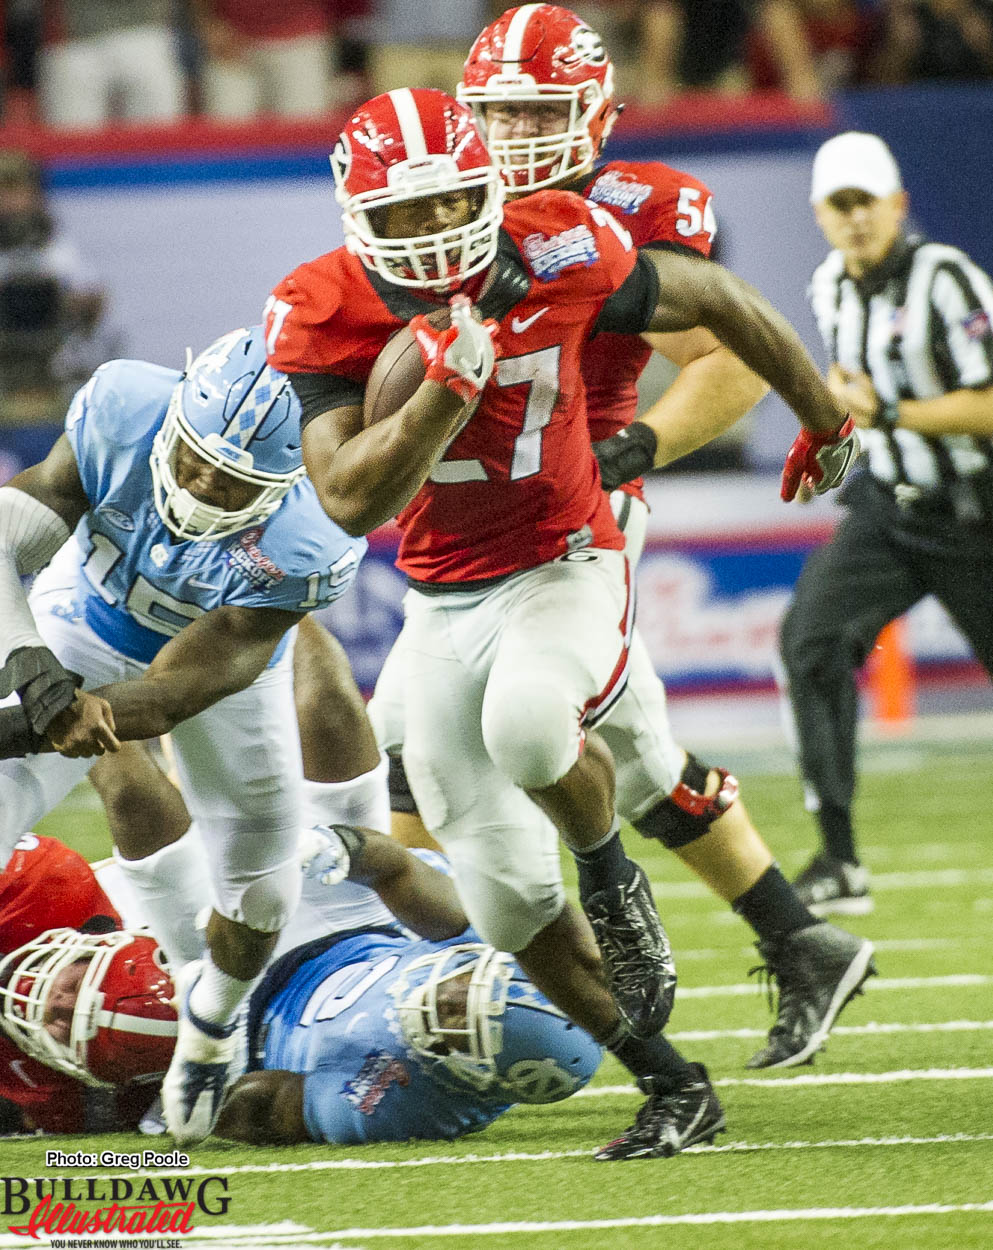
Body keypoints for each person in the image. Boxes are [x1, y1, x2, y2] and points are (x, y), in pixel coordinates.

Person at [265, 85, 856, 1160]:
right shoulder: (322, 304)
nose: (433, 235)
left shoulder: (565, 241)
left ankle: (612, 876)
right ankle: (675, 1084)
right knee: (496, 893)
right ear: (357, 218)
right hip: (444, 596)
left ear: (485, 188)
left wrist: (825, 414)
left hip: (568, 556)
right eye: (402, 218)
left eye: (449, 204)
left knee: (534, 725)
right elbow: (350, 496)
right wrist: (445, 386)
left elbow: (716, 294)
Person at [371, 3, 875, 1077]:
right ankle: (796, 940)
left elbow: (727, 349)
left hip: (570, 520)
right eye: (497, 113)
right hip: (480, 524)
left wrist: (631, 445)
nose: (513, 137)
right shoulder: (445, 207)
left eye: (538, 114)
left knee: (480, 737)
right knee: (623, 752)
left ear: (594, 110)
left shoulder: (628, 211)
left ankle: (406, 978)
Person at [0, 325, 366, 1145]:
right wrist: (28, 665)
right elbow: (7, 529)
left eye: (234, 482)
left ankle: (209, 1031)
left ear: (282, 483)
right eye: (195, 458)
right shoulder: (126, 403)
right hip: (78, 615)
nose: (202, 485)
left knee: (262, 891)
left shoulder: (315, 534)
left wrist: (57, 716)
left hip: (203, 669)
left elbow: (174, 692)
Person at [0, 745, 602, 1144]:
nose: (446, 1006)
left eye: (458, 1029)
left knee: (128, 1017)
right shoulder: (497, 942)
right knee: (332, 723)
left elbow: (269, 1105)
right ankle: (271, 614)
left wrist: (203, 1101)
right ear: (490, 967)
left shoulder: (413, 1108)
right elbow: (397, 871)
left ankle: (89, 711)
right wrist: (341, 846)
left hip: (245, 1030)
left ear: (472, 1072)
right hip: (348, 924)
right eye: (465, 995)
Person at [779, 131, 993, 914]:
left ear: (897, 205)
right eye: (838, 206)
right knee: (809, 642)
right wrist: (823, 452)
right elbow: (850, 408)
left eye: (865, 202)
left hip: (975, 513)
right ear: (819, 214)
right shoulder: (829, 286)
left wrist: (891, 410)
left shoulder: (947, 280)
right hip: (888, 506)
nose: (854, 219)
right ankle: (838, 860)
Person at [0, 149, 122, 426]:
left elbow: (93, 298)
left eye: (15, 190)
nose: (8, 201)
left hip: (50, 369)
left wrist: (75, 303)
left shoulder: (55, 245)